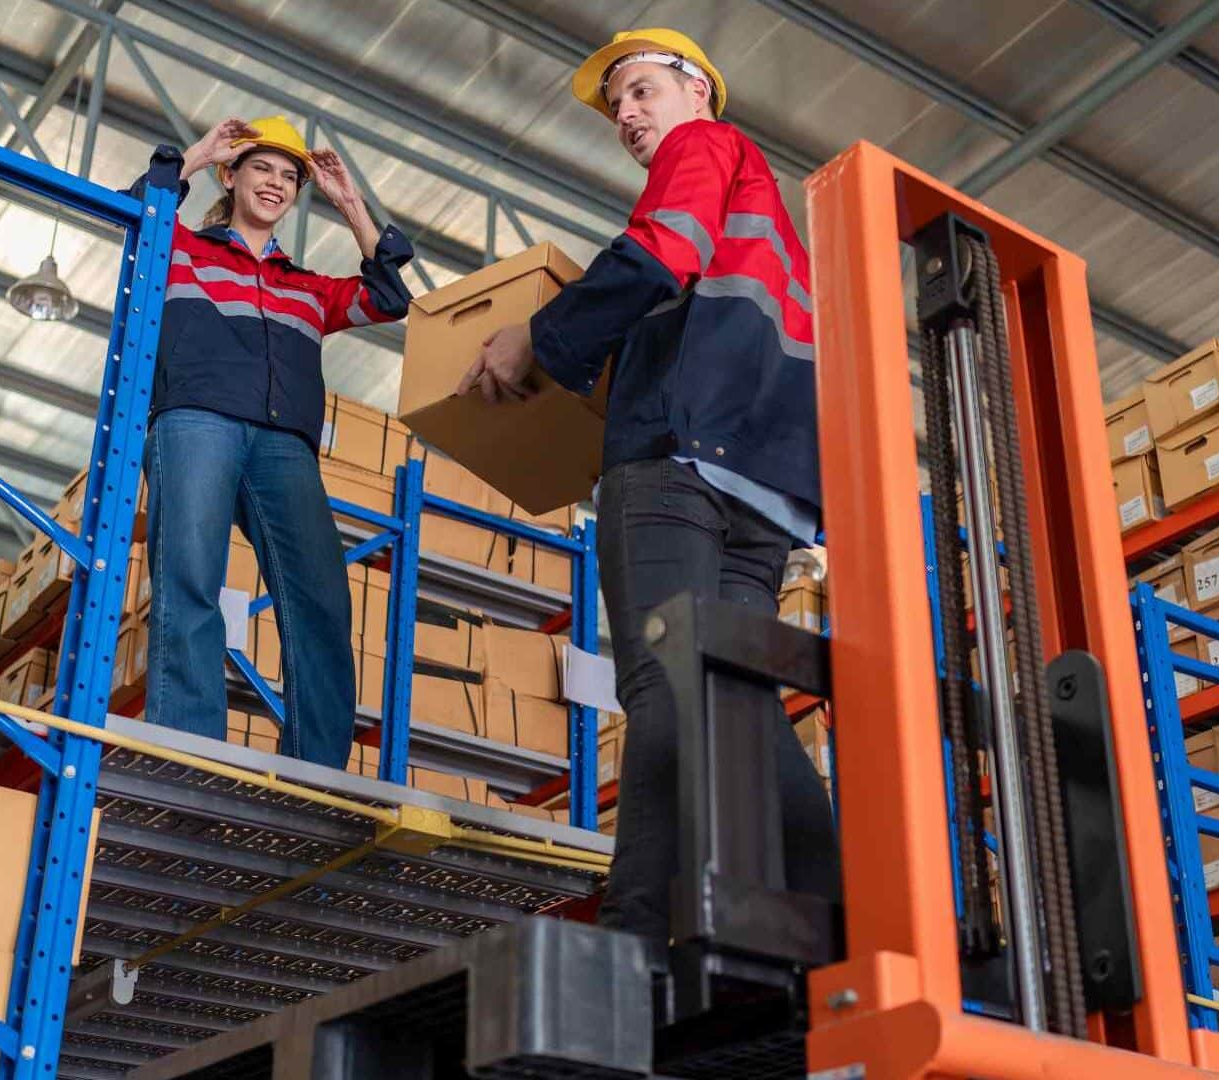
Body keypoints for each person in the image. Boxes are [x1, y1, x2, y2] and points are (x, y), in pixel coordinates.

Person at [459, 30, 840, 952]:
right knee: (739, 706)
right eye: (617, 107)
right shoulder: (768, 213)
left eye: (638, 91)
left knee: (663, 683)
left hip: (681, 460)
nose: (627, 116)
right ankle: (846, 917)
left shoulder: (703, 148)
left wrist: (537, 341)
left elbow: (658, 253)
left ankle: (630, 939)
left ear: (696, 87)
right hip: (764, 486)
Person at [132, 116, 413, 768]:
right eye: (263, 168)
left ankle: (317, 771)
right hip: (195, 418)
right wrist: (200, 153)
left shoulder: (306, 288)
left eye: (289, 177)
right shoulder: (183, 252)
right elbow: (139, 211)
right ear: (233, 176)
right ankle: (188, 756)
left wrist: (348, 201)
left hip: (284, 442)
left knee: (321, 597)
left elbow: (389, 297)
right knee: (191, 580)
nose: (277, 183)